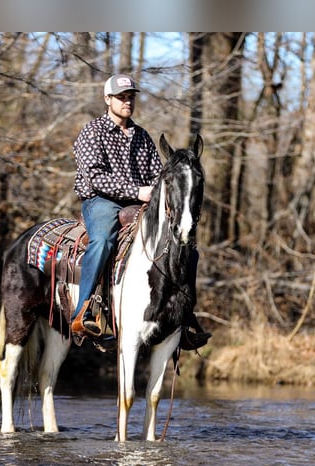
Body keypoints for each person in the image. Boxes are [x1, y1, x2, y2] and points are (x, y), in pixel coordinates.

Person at [70, 73, 210, 351]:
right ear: (107, 99)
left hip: (138, 205)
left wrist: (160, 195)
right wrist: (137, 192)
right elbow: (95, 177)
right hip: (101, 201)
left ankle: (183, 316)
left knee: (183, 248)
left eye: (130, 96)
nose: (127, 102)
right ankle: (83, 312)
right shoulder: (92, 132)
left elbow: (156, 177)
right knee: (104, 240)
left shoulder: (142, 137)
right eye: (121, 97)